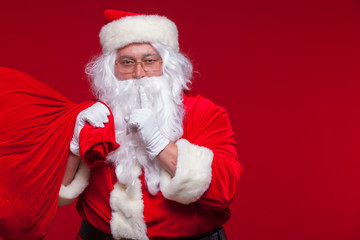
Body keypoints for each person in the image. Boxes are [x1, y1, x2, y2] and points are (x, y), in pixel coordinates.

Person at [60, 9, 243, 240]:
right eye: (127, 63)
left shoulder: (203, 112)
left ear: (167, 65)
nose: (139, 73)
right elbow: (56, 191)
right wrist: (73, 147)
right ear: (111, 69)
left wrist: (158, 143)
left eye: (149, 61)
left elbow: (224, 188)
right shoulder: (91, 116)